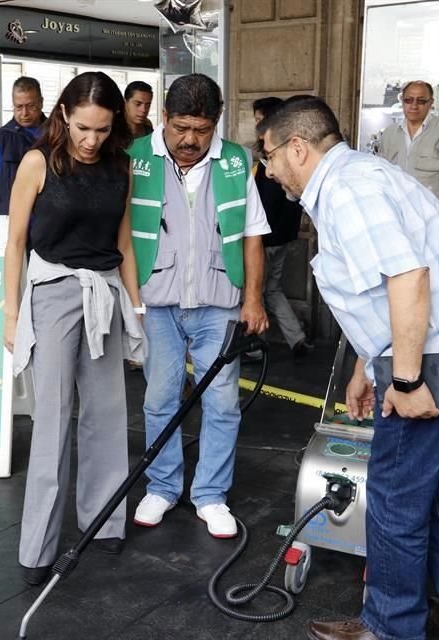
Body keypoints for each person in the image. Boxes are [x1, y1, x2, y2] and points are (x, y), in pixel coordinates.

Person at [257, 97, 439, 640]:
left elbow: (407, 280)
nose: (267, 167)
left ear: (297, 148)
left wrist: (403, 381)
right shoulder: (356, 177)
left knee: (395, 501)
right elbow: (377, 291)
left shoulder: (348, 193)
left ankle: (391, 628)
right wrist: (364, 367)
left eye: (269, 154)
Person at [4, 71, 145, 586]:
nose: (92, 140)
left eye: (103, 130)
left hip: (104, 292)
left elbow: (124, 241)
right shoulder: (38, 163)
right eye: (84, 127)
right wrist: (11, 313)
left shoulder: (121, 168)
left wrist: (136, 307)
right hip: (54, 293)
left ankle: (104, 524)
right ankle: (38, 544)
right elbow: (15, 242)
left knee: (108, 414)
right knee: (53, 419)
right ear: (64, 114)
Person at [129, 73, 270, 539]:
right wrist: (130, 300)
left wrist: (253, 299)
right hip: (159, 302)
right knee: (159, 400)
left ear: (218, 123)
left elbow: (252, 236)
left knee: (223, 402)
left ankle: (210, 495)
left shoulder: (235, 162)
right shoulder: (135, 159)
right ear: (163, 118)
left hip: (219, 301)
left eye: (202, 129)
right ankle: (163, 487)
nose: (190, 140)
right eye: (181, 127)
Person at [252, 97, 312, 358]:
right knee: (273, 290)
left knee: (257, 292)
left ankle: (255, 348)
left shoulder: (272, 159)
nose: (257, 127)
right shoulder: (291, 155)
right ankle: (296, 338)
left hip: (265, 239)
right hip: (284, 237)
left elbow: (264, 205)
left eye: (259, 120)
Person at [377, 81, 439, 212]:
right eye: (408, 100)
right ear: (402, 101)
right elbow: (381, 175)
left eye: (421, 101)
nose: (414, 106)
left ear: (431, 102)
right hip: (396, 213)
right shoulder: (389, 133)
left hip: (431, 214)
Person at [0, 76, 45, 217]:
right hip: (10, 225)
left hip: (50, 227)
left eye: (30, 106)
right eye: (19, 107)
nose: (24, 113)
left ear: (41, 103)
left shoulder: (58, 136)